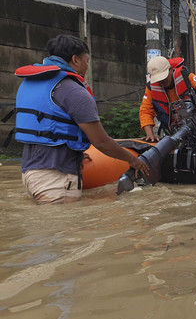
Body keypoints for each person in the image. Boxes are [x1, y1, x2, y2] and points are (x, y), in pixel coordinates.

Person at [14, 34, 149, 204]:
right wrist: (133, 160)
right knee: (66, 229)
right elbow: (101, 142)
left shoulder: (30, 83)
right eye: (87, 60)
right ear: (75, 60)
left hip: (30, 174)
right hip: (56, 179)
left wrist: (76, 153)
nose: (87, 65)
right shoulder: (74, 91)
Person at [139, 56, 196, 142]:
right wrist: (150, 134)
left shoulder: (185, 76)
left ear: (170, 69)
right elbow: (145, 111)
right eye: (159, 79)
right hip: (175, 132)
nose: (162, 81)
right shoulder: (151, 88)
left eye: (164, 77)